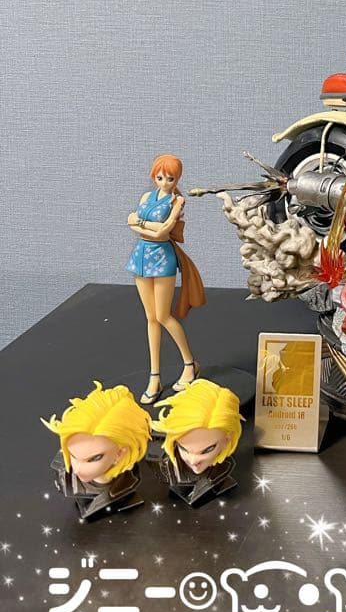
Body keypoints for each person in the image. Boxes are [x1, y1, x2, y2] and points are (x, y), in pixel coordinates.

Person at [125, 154, 206, 404]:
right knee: (151, 318)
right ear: (154, 176)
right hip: (140, 257)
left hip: (162, 259)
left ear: (177, 179)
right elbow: (130, 223)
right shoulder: (146, 197)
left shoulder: (177, 201)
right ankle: (155, 376)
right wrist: (144, 226)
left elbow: (162, 232)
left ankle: (190, 364)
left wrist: (140, 223)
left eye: (170, 178)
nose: (164, 182)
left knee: (163, 316)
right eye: (160, 177)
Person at [41, 382, 152, 519]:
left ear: (120, 454)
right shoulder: (65, 476)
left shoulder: (129, 483)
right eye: (73, 455)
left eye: (93, 459)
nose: (78, 469)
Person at [152, 379, 243, 505]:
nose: (193, 460)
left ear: (227, 440)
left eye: (207, 450)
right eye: (184, 449)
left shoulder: (222, 469)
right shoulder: (170, 468)